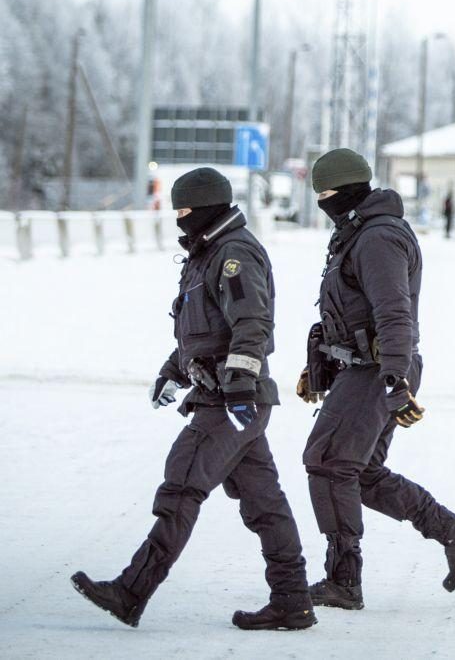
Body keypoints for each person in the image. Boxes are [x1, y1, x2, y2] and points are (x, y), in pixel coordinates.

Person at [71, 167, 315, 631]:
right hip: (226, 396)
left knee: (183, 483)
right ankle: (292, 600)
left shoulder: (233, 254)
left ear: (206, 207)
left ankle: (131, 591)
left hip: (231, 400)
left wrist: (240, 386)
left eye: (185, 210)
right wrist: (172, 372)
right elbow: (203, 331)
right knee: (264, 501)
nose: (179, 219)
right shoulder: (207, 254)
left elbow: (251, 324)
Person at [296, 148, 455, 611]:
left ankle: (344, 581)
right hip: (362, 369)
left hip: (376, 372)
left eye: (325, 194)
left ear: (345, 191)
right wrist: (319, 359)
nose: (322, 203)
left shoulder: (377, 238)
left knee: (326, 461)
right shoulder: (357, 232)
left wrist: (395, 380)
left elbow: (395, 315)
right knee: (361, 474)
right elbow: (348, 309)